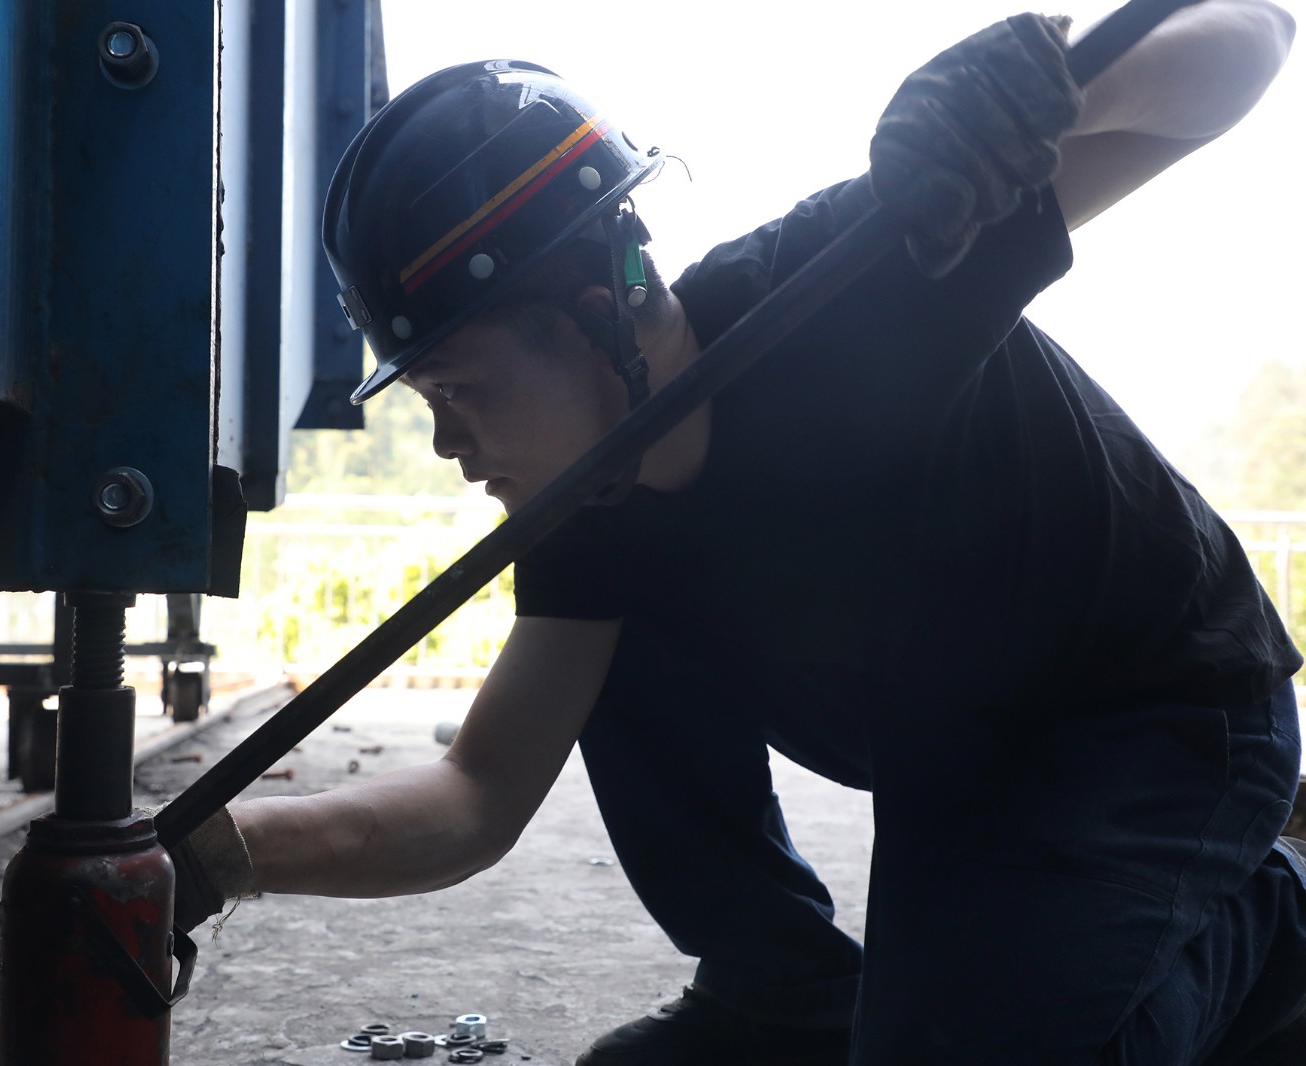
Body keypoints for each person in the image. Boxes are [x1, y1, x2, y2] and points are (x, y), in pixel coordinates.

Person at [171, 5, 1306, 1063]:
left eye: (458, 390)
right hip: (955, 757)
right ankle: (782, 993)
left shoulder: (858, 286)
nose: (444, 443)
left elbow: (1252, 34)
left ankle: (1273, 922)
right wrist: (209, 856)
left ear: (599, 311)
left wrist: (1052, 84)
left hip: (1158, 716)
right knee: (626, 649)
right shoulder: (583, 502)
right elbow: (477, 795)